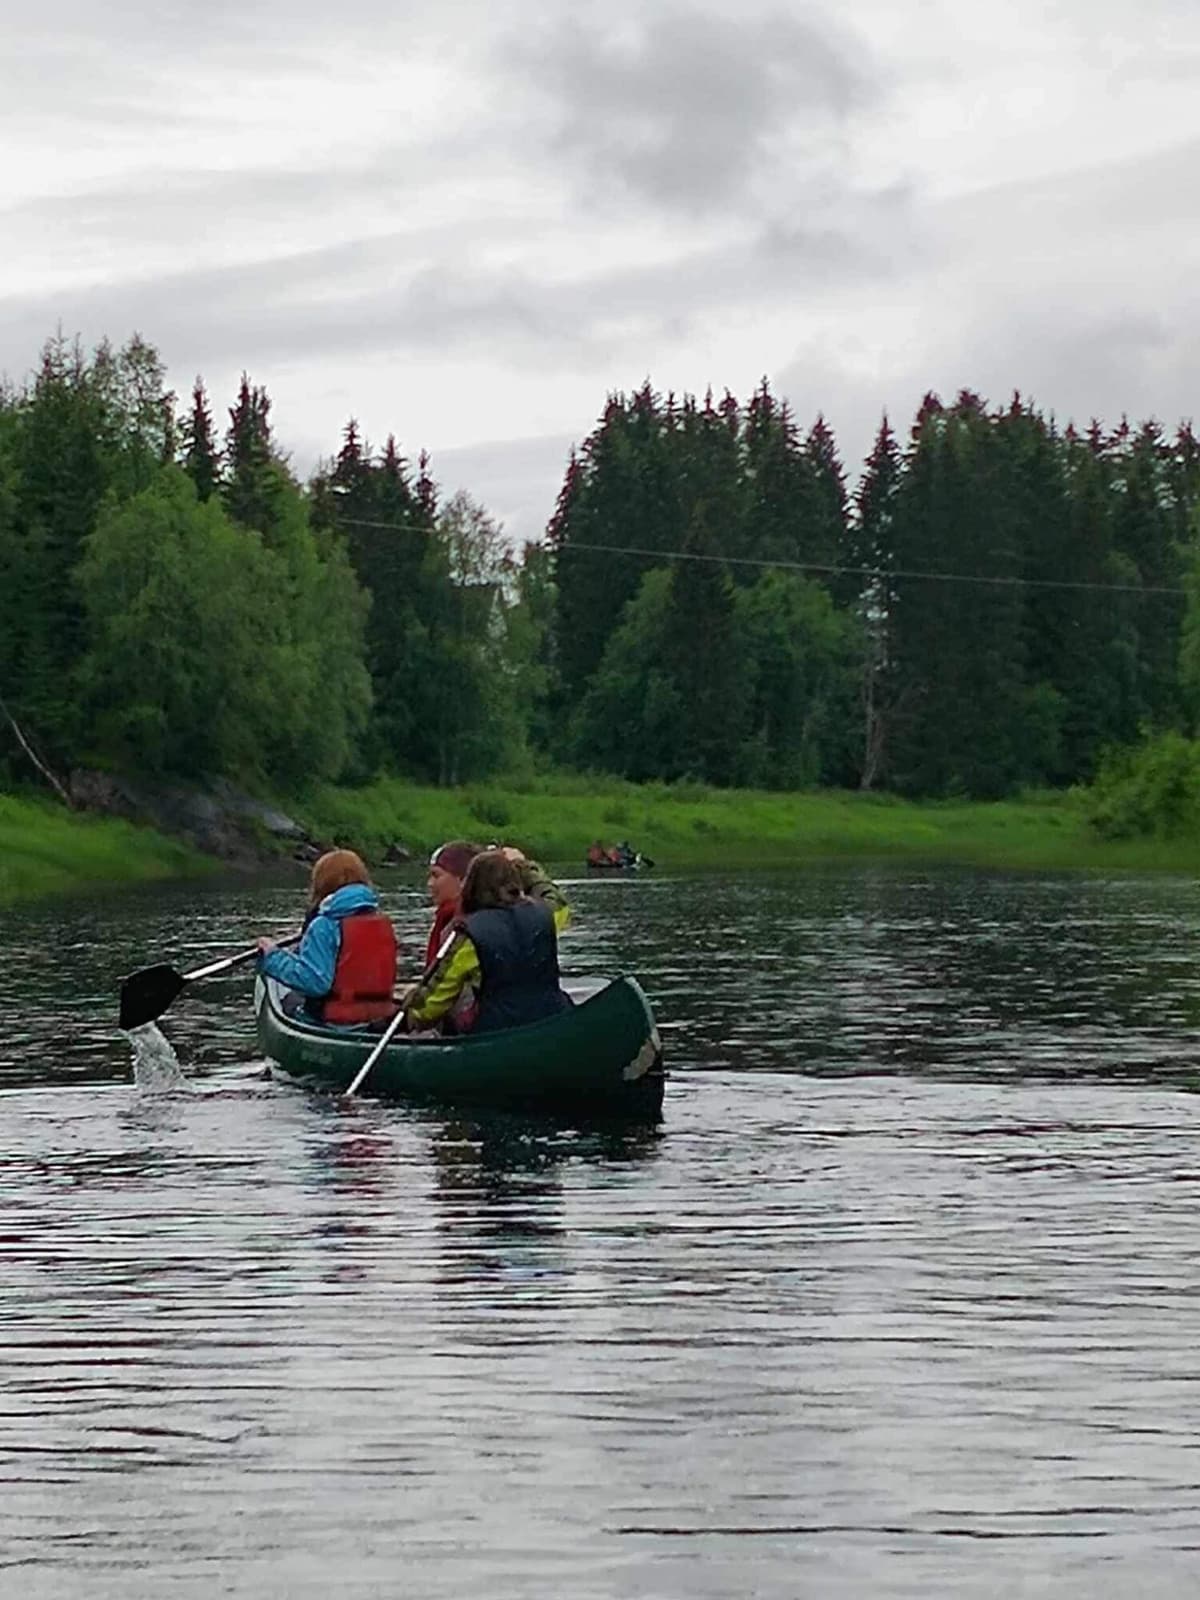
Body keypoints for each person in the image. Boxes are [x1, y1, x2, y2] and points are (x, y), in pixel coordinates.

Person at [405, 848, 571, 1035]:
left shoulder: (469, 935)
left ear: (469, 886)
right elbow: (556, 898)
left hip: (495, 1030)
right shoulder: (546, 916)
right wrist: (526, 867)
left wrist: (411, 1012)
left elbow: (431, 1006)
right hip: (552, 1018)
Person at [257, 849, 398, 1025]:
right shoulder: (382, 922)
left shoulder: (324, 925)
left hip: (336, 1021)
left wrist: (272, 957)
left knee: (287, 998)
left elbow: (315, 983)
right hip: (379, 1017)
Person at [425, 840, 482, 967]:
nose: (430, 883)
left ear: (462, 880)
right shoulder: (448, 917)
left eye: (436, 875)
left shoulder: (461, 924)